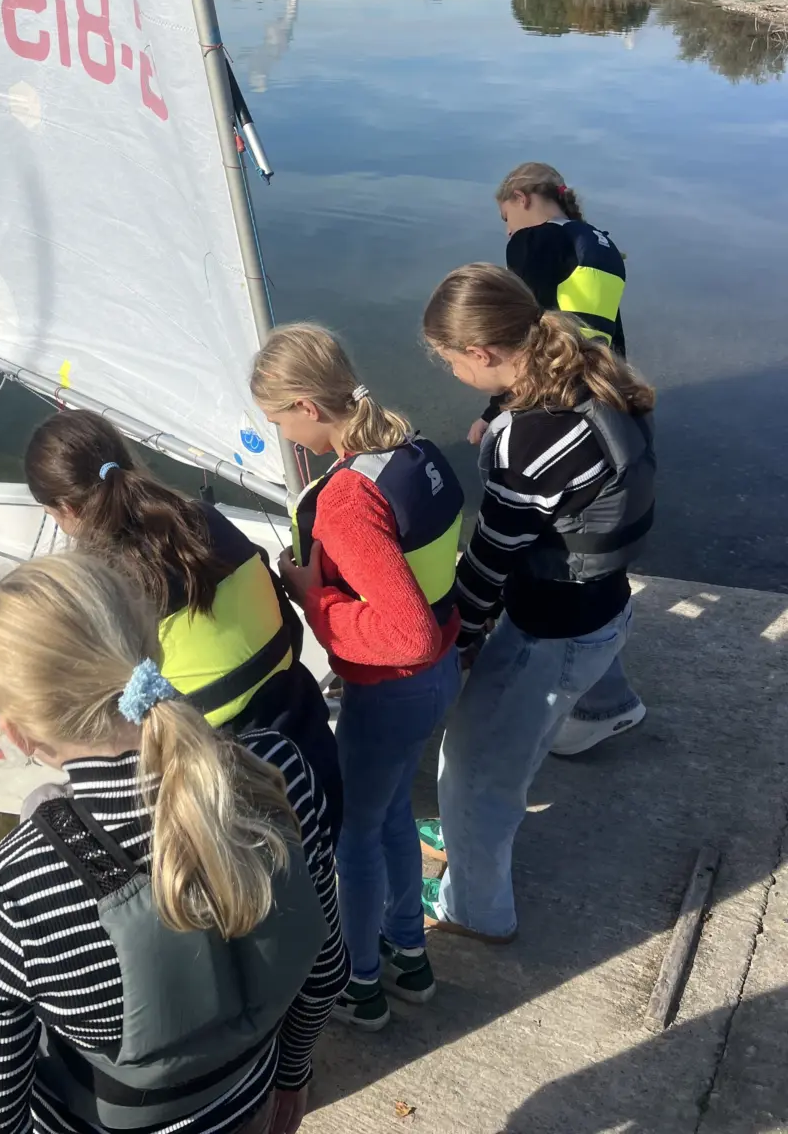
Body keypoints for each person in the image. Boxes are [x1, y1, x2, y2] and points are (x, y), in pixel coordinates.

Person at [0, 553, 348, 1134]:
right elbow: (325, 967)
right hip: (249, 1106)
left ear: (17, 732)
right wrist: (292, 1072)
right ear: (151, 648)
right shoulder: (278, 774)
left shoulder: (10, 891)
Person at [422, 264, 656, 943]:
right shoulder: (593, 371)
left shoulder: (528, 442)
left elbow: (490, 558)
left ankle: (474, 911)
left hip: (553, 632)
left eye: (449, 361)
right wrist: (496, 409)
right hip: (605, 608)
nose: (452, 373)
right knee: (516, 741)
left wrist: (459, 640)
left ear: (481, 352)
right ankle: (605, 710)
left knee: (473, 770)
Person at [250, 324, 463, 1032]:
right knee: (392, 811)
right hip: (439, 676)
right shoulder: (413, 448)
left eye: (278, 418)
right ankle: (409, 957)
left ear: (308, 406)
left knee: (353, 836)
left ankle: (360, 985)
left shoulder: (345, 501)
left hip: (395, 686)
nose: (280, 433)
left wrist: (313, 597)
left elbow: (406, 632)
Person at [24, 409, 342, 832]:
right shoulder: (206, 520)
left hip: (225, 796)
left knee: (39, 802)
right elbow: (288, 627)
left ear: (65, 507)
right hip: (309, 749)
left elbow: (105, 726)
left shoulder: (100, 588)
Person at [467, 162, 643, 756]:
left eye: (505, 216)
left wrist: (495, 409)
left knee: (538, 544)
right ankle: (608, 700)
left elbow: (522, 333)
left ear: (522, 198)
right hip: (603, 399)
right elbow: (605, 332)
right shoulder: (599, 240)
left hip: (554, 406)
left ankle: (571, 693)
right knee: (592, 544)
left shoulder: (534, 241)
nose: (506, 230)